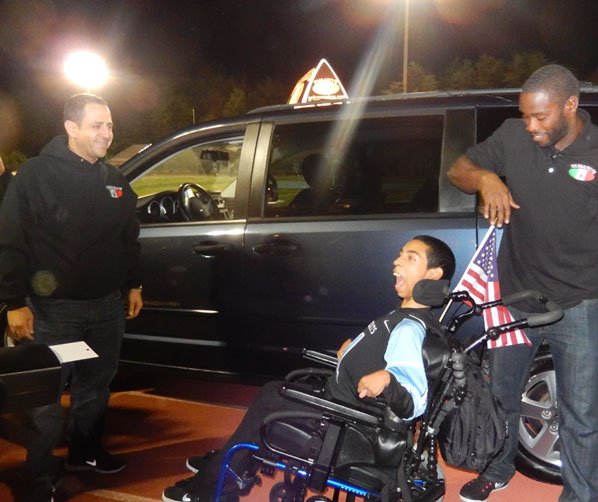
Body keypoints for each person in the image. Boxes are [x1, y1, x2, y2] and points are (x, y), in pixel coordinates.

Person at [447, 64, 598, 502]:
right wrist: (487, 178)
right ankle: (498, 468)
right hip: (514, 298)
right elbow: (459, 169)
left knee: (580, 412)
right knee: (501, 396)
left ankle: (582, 496)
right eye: (526, 115)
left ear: (571, 105)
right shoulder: (512, 135)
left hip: (577, 303)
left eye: (541, 117)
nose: (531, 126)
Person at [161, 235, 455, 502]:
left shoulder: (408, 329)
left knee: (272, 396)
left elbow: (415, 402)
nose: (397, 261)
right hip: (341, 411)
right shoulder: (403, 317)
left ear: (433, 275)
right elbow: (381, 356)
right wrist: (350, 355)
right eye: (400, 254)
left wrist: (389, 381)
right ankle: (228, 462)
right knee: (274, 392)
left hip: (347, 432)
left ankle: (213, 488)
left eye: (410, 258)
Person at [0, 94, 143, 502]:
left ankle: (85, 453)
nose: (107, 133)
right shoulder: (34, 175)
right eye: (97, 125)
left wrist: (134, 284)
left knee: (96, 387)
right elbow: (10, 242)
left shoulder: (113, 179)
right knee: (46, 396)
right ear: (71, 127)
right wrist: (14, 302)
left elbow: (127, 239)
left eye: (110, 125)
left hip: (106, 307)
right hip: (53, 309)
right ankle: (40, 475)